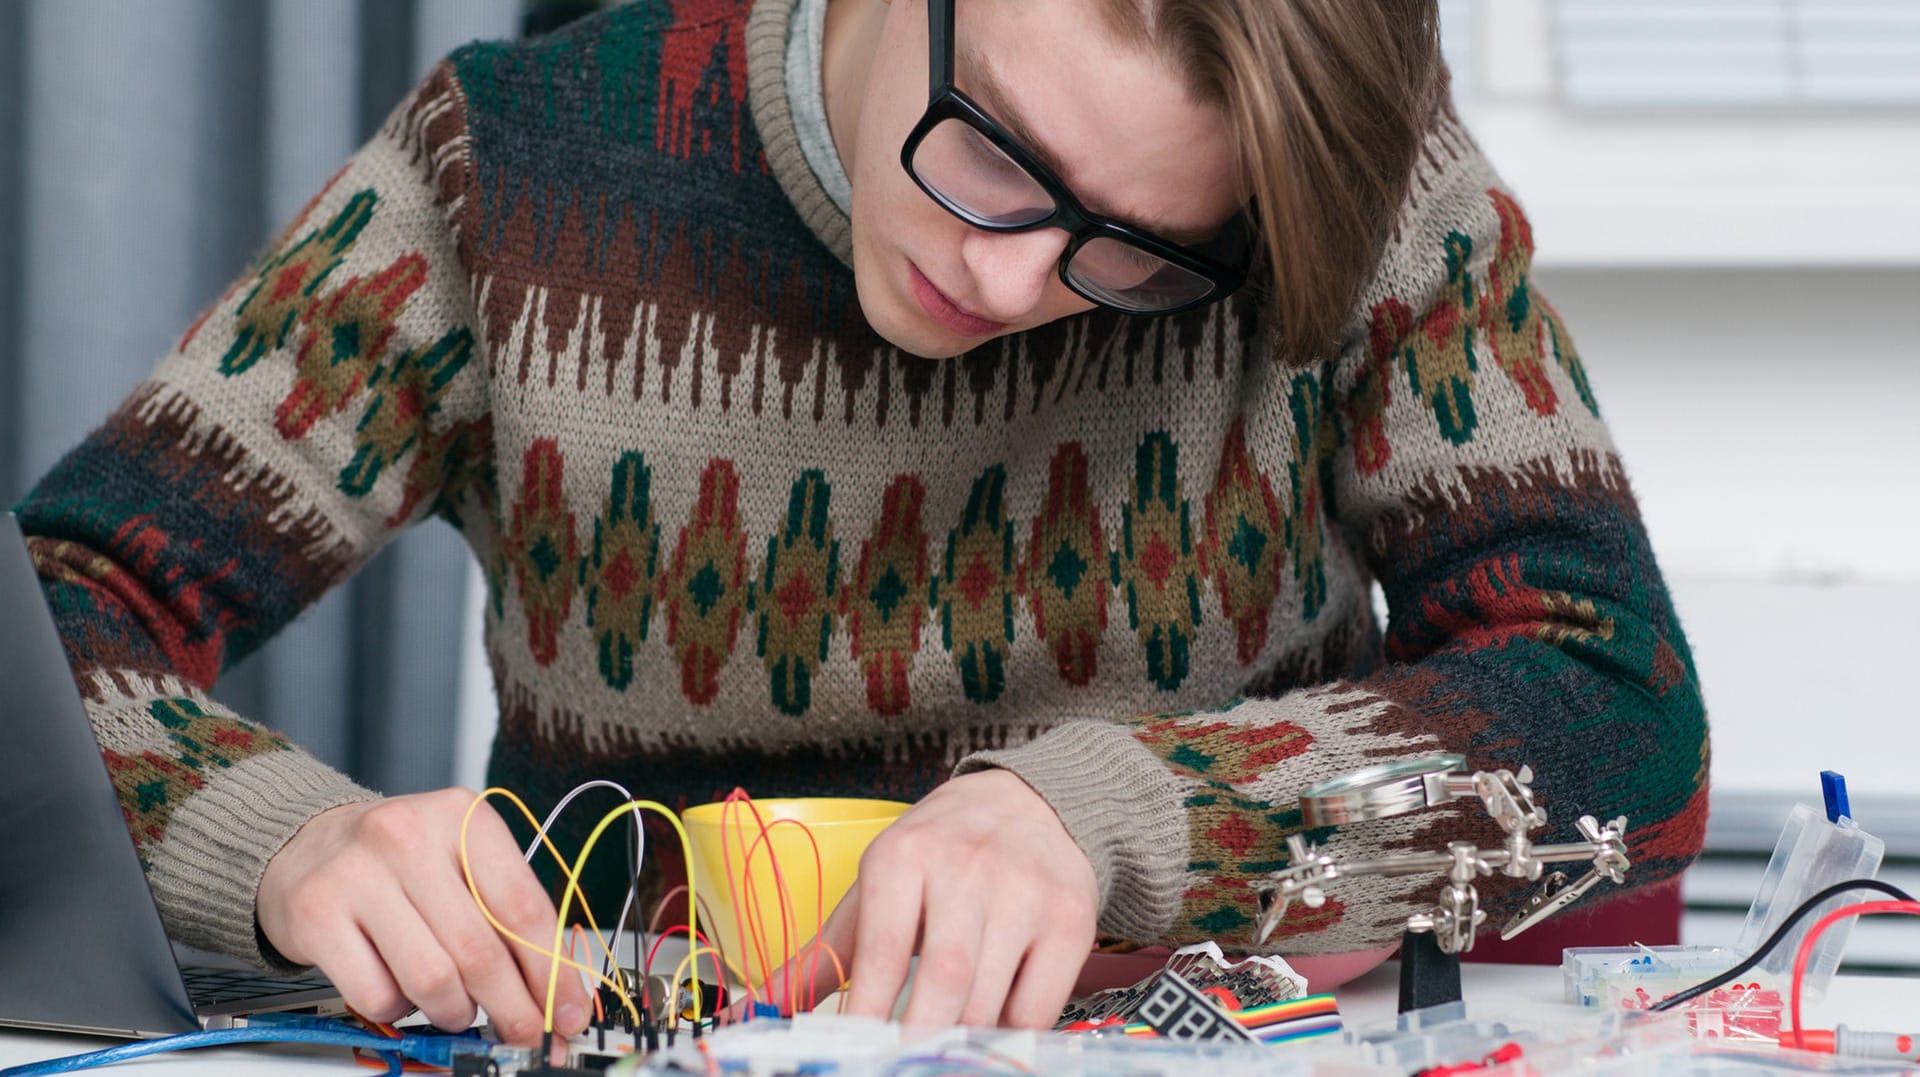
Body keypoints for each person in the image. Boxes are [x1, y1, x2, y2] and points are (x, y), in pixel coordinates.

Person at [13, 0, 1709, 1052]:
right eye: (992, 154)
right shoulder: (514, 169)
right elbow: (54, 608)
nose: (1004, 279)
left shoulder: (1359, 190)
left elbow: (1618, 719)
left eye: (1132, 255)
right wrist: (280, 841)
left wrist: (1111, 814)